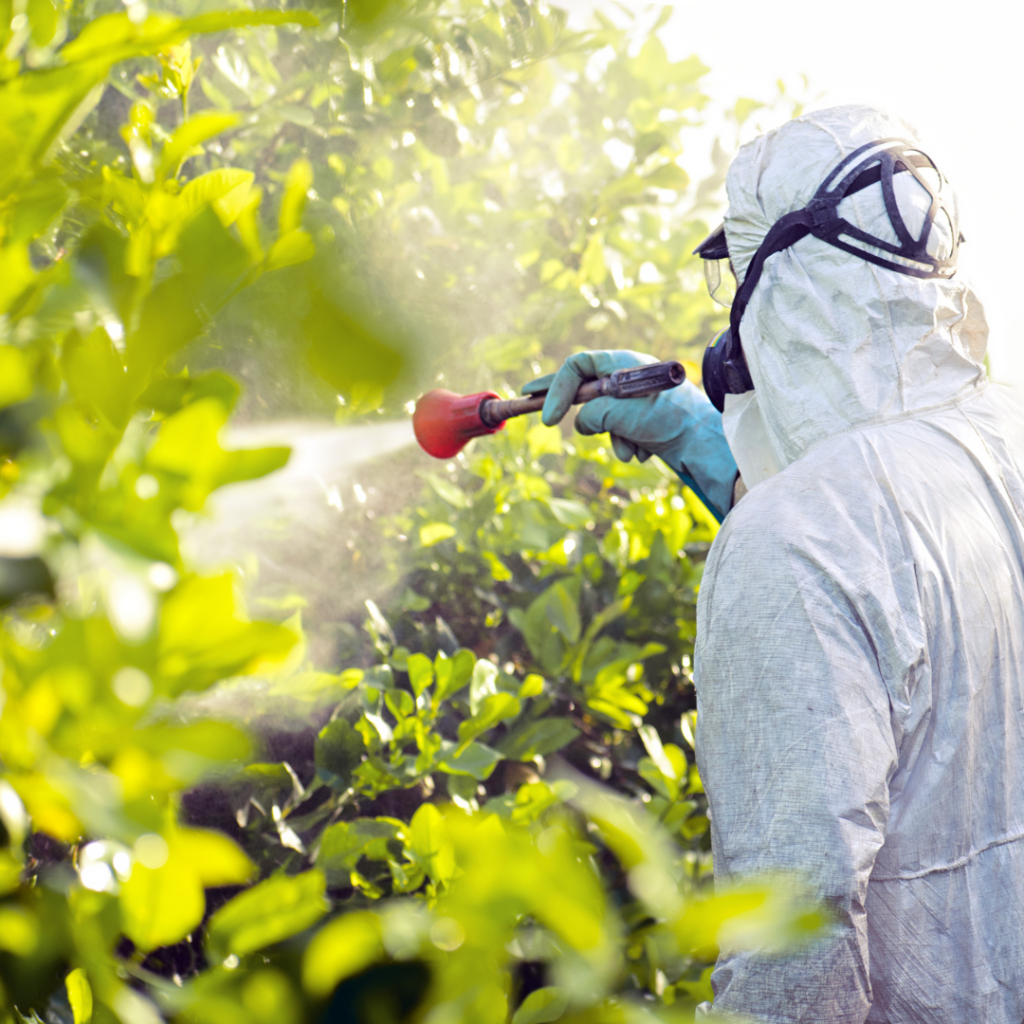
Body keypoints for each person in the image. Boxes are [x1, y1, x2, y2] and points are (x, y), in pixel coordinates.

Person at [536, 105, 1024, 1023]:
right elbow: (893, 560)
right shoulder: (1005, 439)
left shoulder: (792, 545)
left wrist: (755, 505)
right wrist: (706, 438)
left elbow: (796, 949)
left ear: (782, 284)